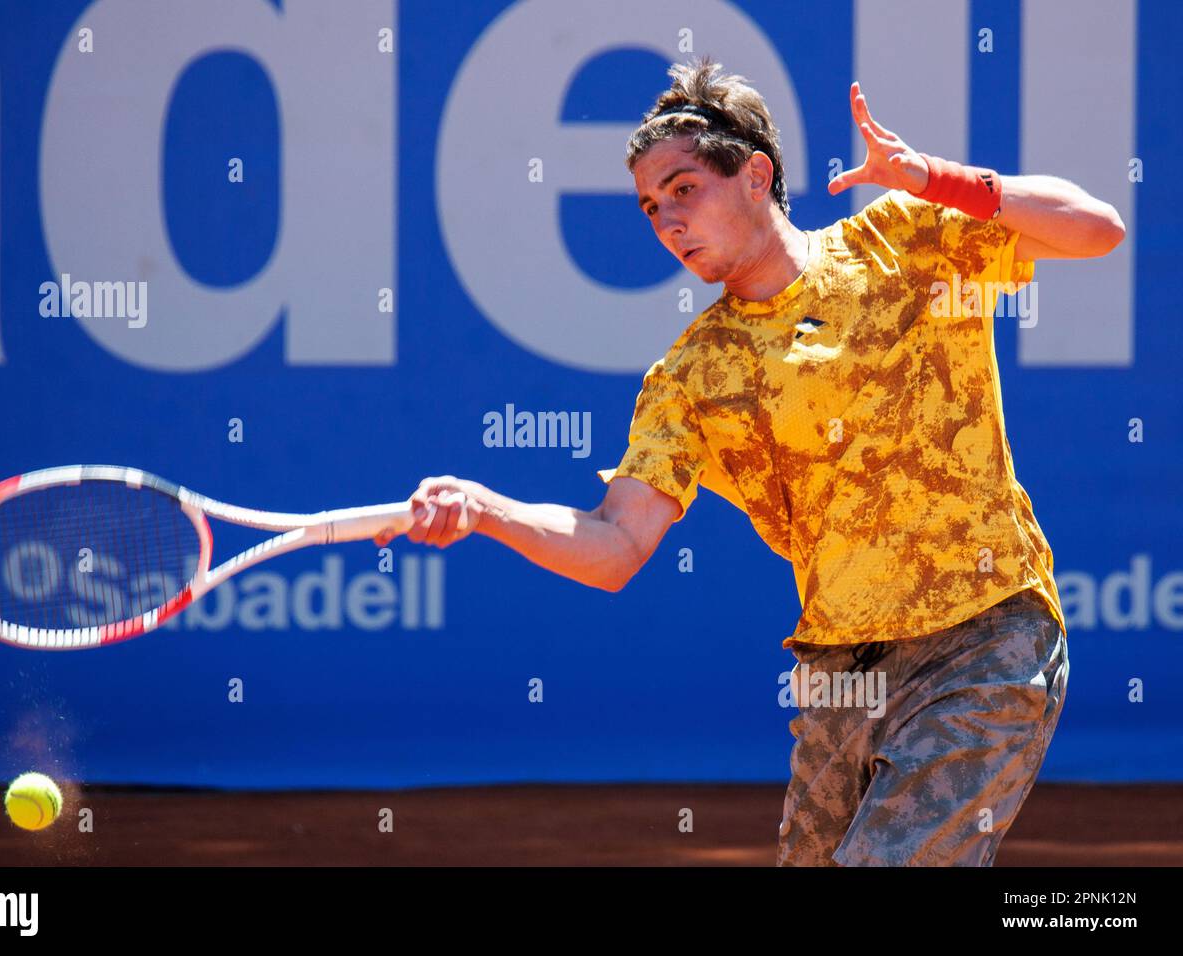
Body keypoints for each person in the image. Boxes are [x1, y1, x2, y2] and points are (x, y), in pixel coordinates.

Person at [375, 57, 1124, 866]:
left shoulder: (904, 241)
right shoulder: (691, 375)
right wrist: (489, 511)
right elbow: (616, 545)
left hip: (988, 637)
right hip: (841, 676)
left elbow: (1096, 227)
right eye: (651, 207)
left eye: (684, 189)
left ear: (756, 174)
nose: (667, 221)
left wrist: (931, 178)